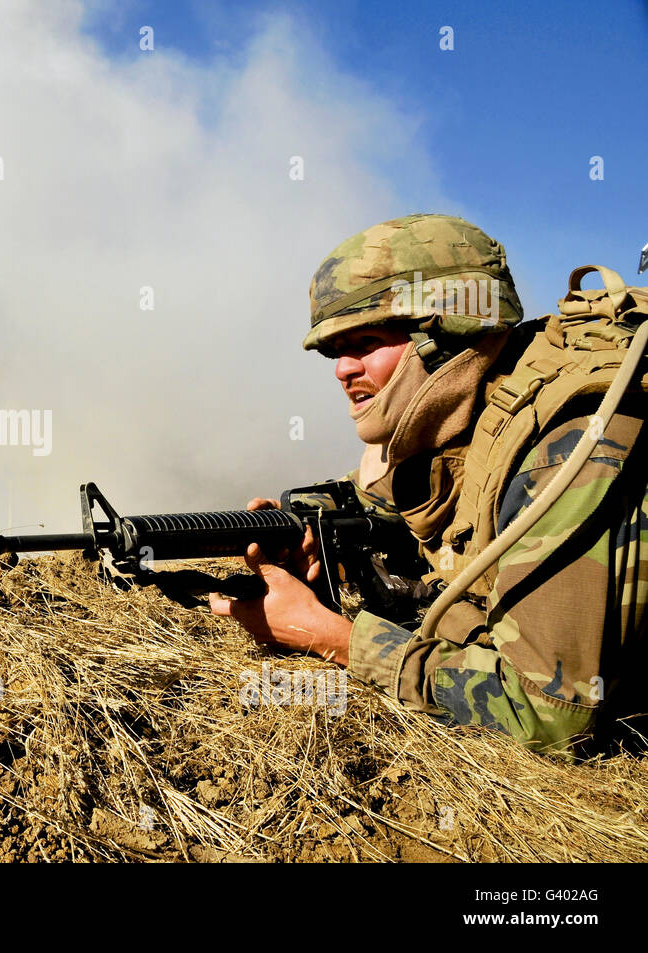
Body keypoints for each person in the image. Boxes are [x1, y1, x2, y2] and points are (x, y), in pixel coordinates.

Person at [210, 214, 648, 759]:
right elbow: (403, 499)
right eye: (335, 352)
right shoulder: (487, 395)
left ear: (444, 337)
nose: (343, 370)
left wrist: (333, 638)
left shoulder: (573, 440)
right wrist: (305, 523)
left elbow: (552, 714)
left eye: (366, 342)